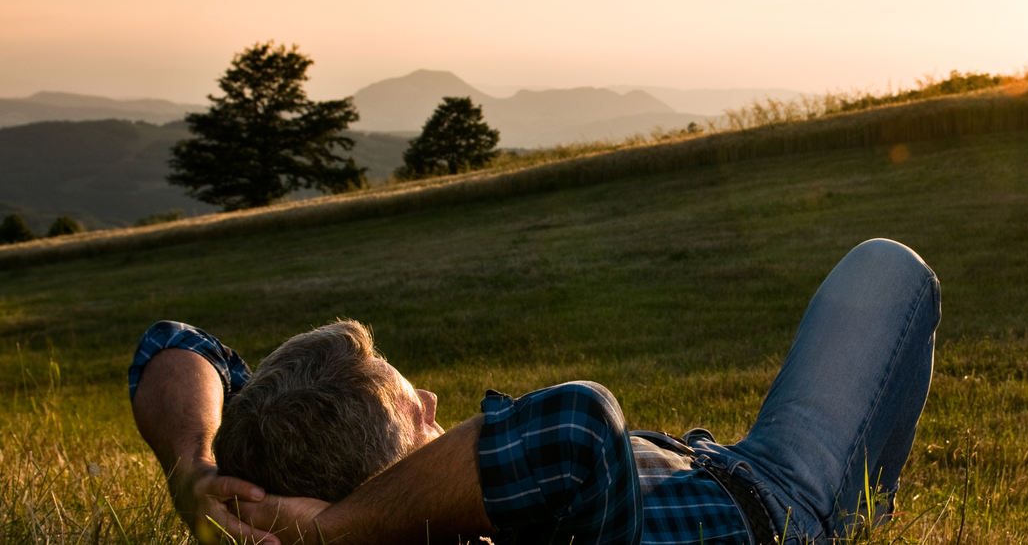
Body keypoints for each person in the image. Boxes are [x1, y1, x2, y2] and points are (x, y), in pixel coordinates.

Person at [130, 238, 941, 544]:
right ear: (390, 483)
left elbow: (172, 344)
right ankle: (859, 508)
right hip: (779, 501)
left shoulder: (275, 463)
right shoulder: (495, 528)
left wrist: (193, 468)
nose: (439, 408)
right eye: (419, 413)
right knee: (888, 271)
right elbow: (578, 424)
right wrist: (341, 529)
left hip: (701, 460)